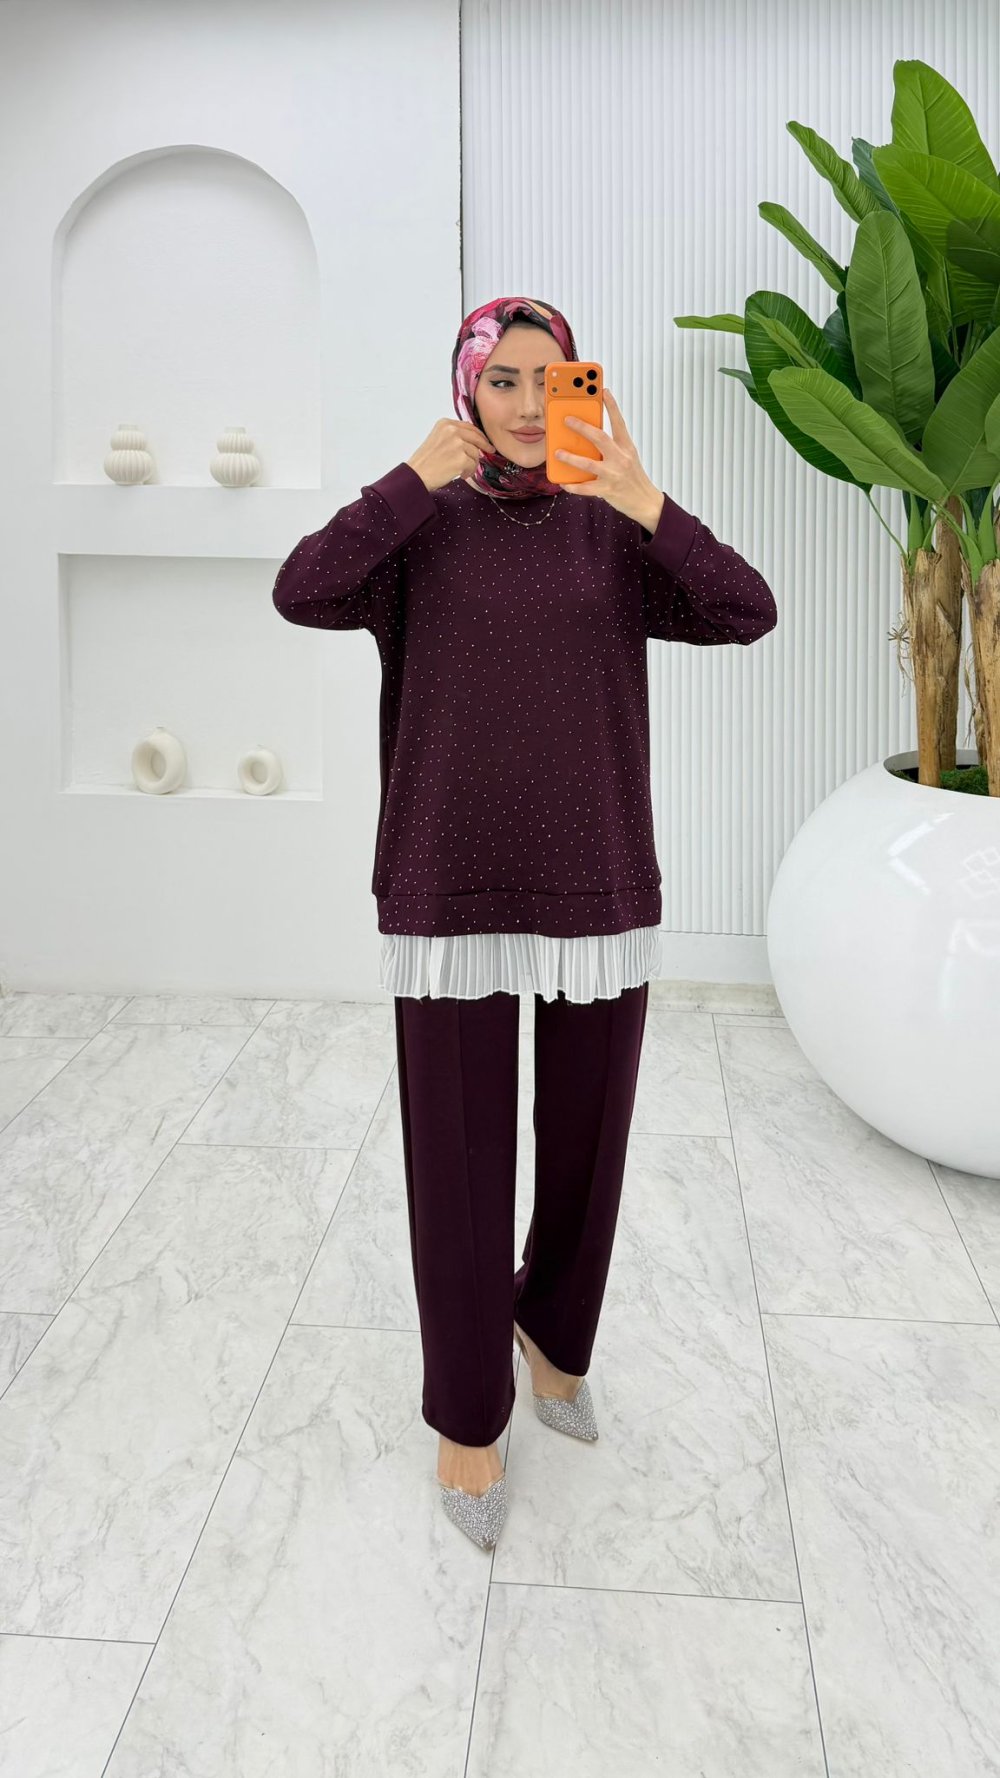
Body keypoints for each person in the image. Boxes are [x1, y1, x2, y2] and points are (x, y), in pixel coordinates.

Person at [272, 296, 778, 1551]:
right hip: (447, 881)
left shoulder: (611, 526)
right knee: (456, 1164)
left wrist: (648, 502)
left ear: (579, 389)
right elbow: (300, 589)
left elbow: (747, 608)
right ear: (466, 389)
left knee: (588, 1145)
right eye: (501, 378)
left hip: (596, 876)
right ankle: (467, 1414)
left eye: (550, 378)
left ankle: (552, 1339)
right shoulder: (417, 527)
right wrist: (405, 481)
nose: (526, 400)